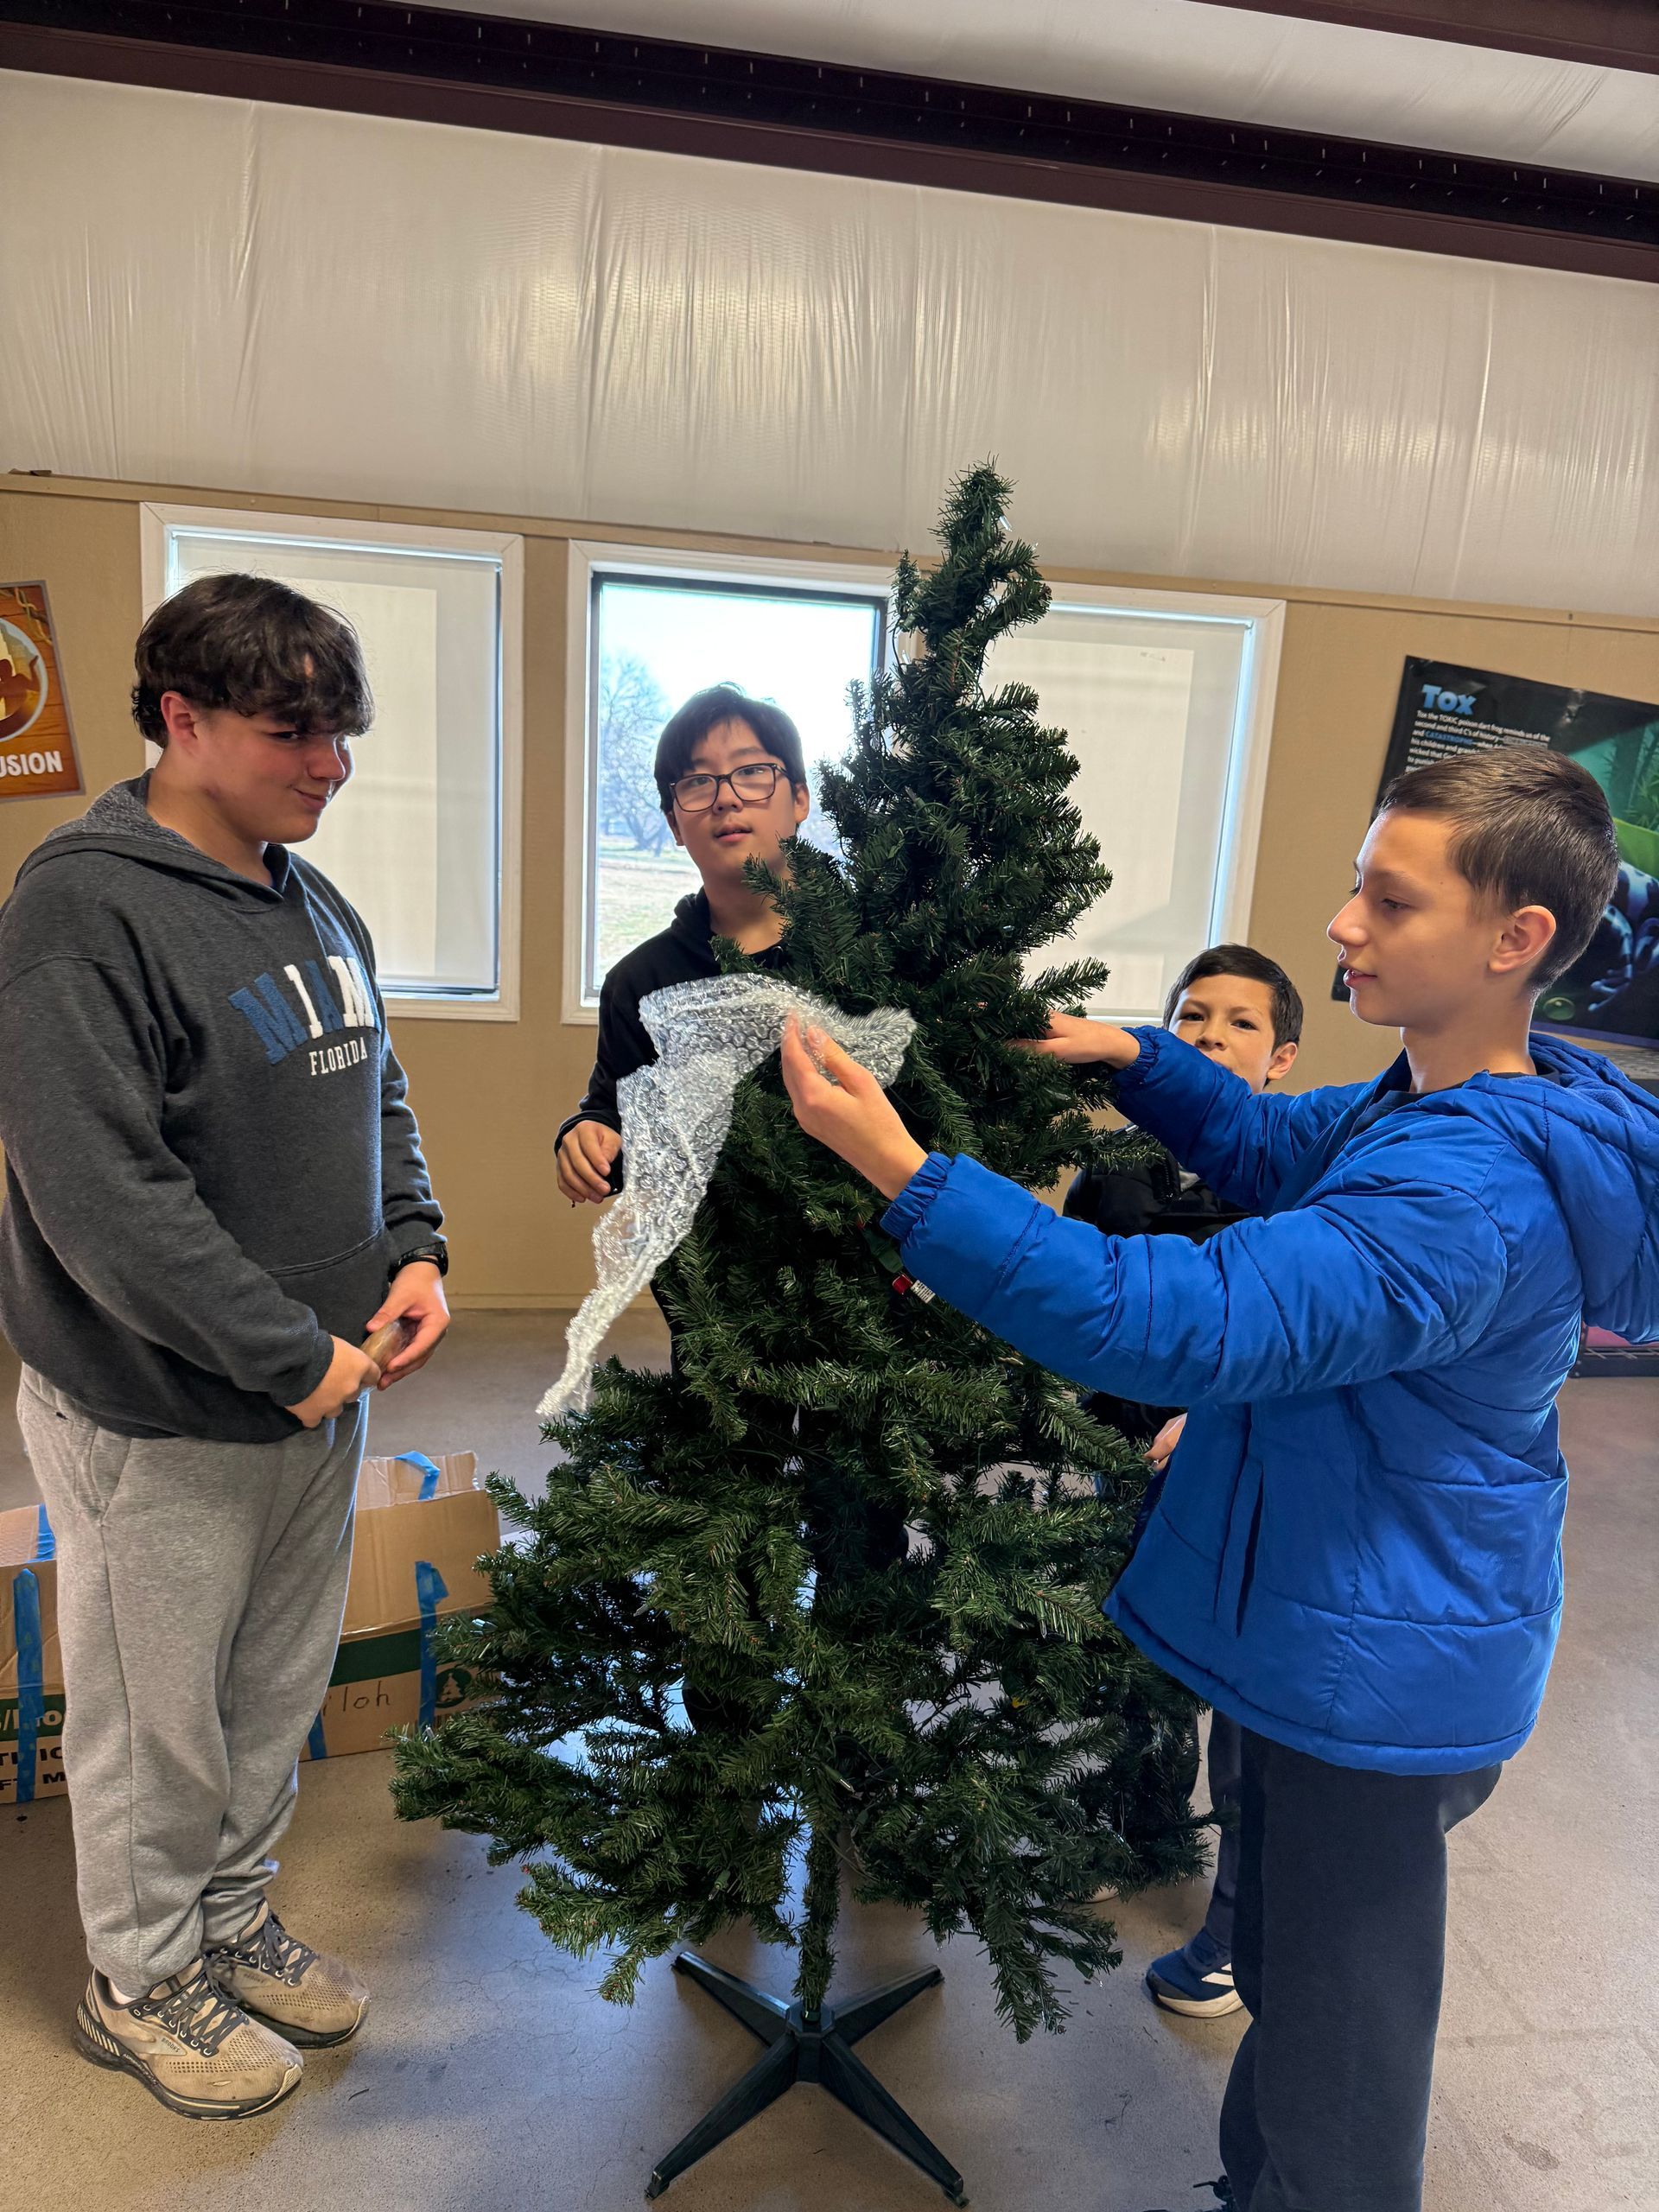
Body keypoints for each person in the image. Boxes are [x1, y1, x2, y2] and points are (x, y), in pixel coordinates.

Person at [778, 747, 1659, 2212]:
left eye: (1391, 899)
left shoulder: (1465, 1196)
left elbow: (1168, 1316)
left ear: (1517, 943)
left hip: (1376, 1681)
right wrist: (1136, 1059)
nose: (1341, 924)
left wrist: (906, 1173)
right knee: (1312, 2009)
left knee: (1339, 2063)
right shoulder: (1439, 1096)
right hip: (1346, 1631)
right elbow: (1273, 1137)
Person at [0, 575, 449, 2121]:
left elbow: (377, 1089)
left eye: (345, 735)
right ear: (180, 720)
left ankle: (229, 1918)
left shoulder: (311, 896)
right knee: (151, 1713)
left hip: (319, 1392)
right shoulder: (79, 910)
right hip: (161, 1408)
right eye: (295, 733)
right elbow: (97, 1202)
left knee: (269, 1691)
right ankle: (138, 1979)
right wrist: (286, 1351)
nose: (331, 766)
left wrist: (419, 1250)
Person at [1065, 944, 1301, 2022]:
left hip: (1236, 1471)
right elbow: (1066, 1304)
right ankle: (1137, 1822)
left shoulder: (1301, 1197)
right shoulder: (1111, 1175)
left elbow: (1293, 1336)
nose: (1210, 1035)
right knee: (1131, 1664)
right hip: (1114, 1464)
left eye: (1239, 1023)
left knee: (1245, 1716)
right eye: (1190, 1017)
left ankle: (1243, 1926)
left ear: (1282, 1058)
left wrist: (1204, 1417)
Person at [556, 682, 813, 1208]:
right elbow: (618, 1117)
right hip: (715, 1282)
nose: (726, 797)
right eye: (698, 782)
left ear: (800, 799)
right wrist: (588, 1135)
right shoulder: (640, 982)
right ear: (675, 822)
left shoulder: (878, 943)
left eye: (751, 772)